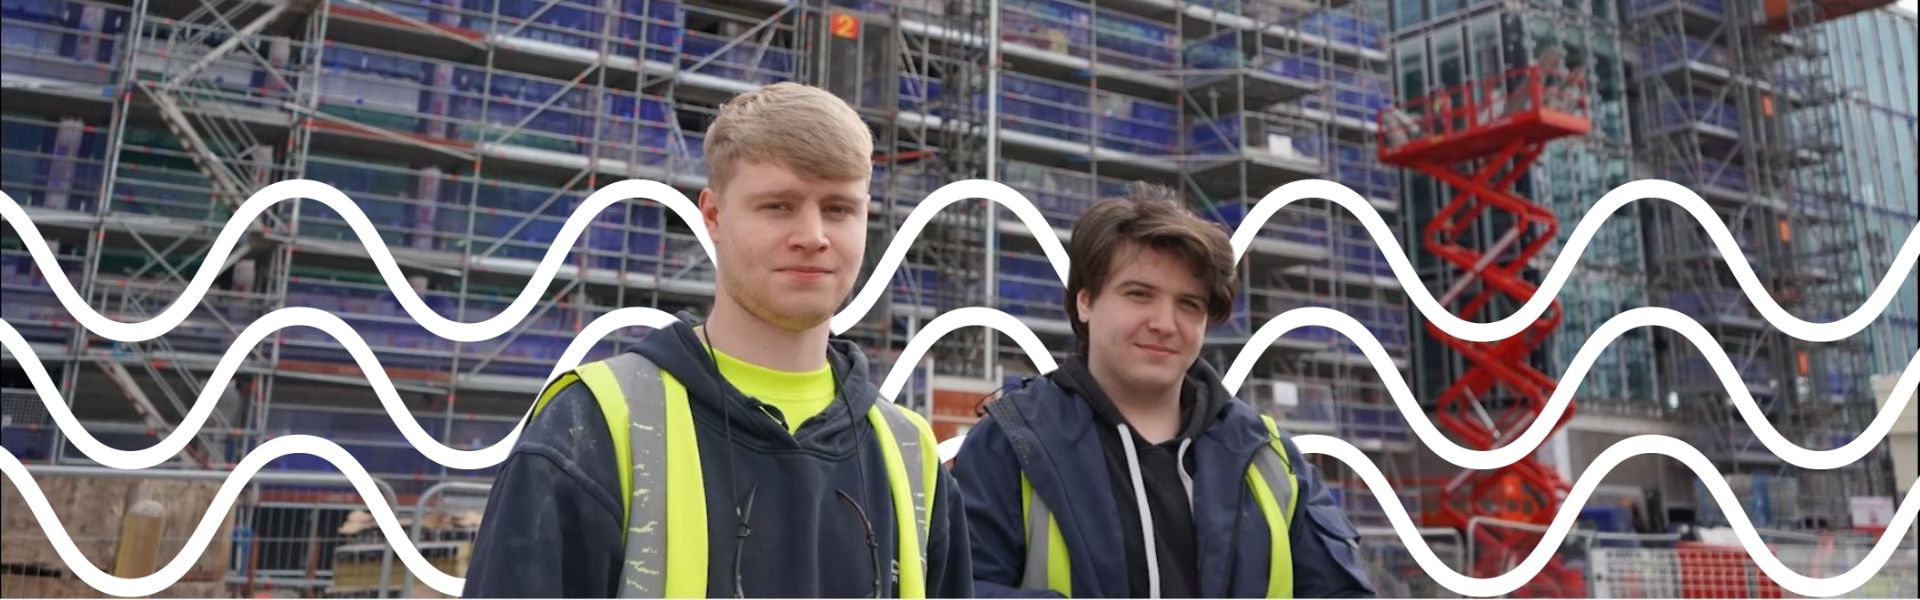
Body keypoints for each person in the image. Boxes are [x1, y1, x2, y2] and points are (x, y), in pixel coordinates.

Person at [463, 82, 973, 598]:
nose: (813, 234)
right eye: (778, 205)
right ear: (712, 215)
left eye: (839, 209)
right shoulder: (593, 424)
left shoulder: (913, 456)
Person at [951, 185, 1377, 598]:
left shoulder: (1269, 461)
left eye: (1189, 304)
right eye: (1140, 294)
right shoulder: (1012, 445)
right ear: (1085, 301)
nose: (1164, 322)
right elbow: (957, 590)